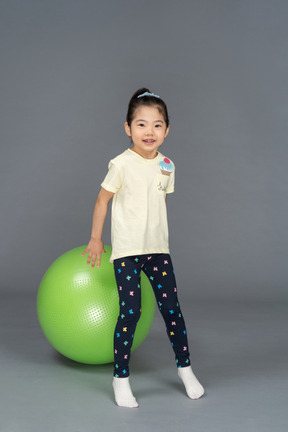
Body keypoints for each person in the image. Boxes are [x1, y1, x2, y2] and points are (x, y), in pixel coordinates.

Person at [82, 88, 204, 408]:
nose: (149, 131)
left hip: (158, 251)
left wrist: (157, 236)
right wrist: (96, 239)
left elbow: (159, 200)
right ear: (128, 128)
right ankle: (121, 378)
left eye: (157, 125)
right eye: (141, 124)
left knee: (172, 312)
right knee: (130, 313)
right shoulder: (121, 164)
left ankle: (185, 369)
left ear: (167, 130)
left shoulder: (167, 165)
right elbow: (102, 200)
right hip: (127, 253)